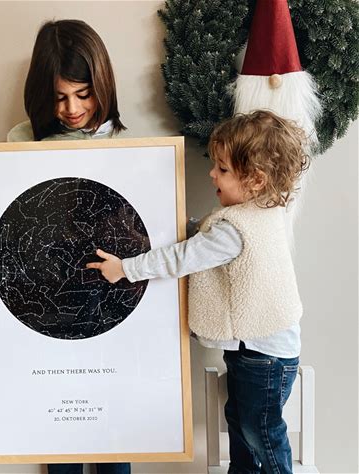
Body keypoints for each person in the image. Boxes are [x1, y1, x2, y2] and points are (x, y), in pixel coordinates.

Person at [0, 19, 129, 474]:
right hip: (43, 307)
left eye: (83, 94)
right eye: (60, 97)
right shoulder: (20, 141)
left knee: (115, 440)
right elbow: (1, 228)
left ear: (103, 85)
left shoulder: (129, 145)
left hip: (110, 308)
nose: (72, 109)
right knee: (59, 440)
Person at [87, 110, 309, 474]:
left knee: (260, 431)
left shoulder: (233, 230)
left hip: (263, 356)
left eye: (222, 169)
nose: (211, 174)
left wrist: (125, 268)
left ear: (255, 180)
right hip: (263, 349)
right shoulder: (260, 212)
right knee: (241, 420)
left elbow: (183, 257)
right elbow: (201, 237)